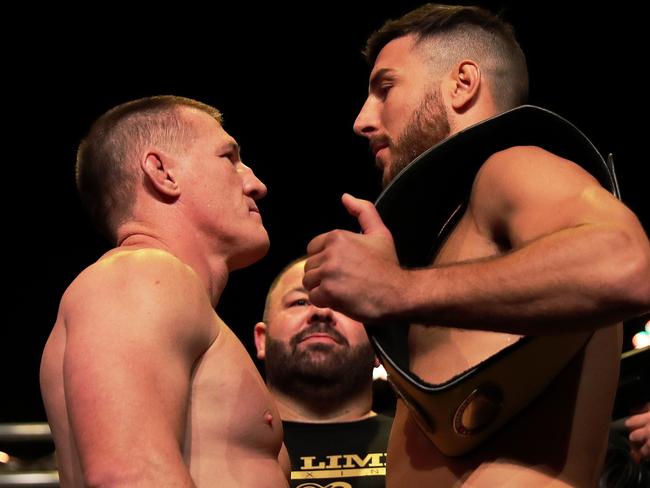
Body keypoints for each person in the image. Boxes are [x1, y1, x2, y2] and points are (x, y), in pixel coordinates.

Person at [302, 4, 650, 487]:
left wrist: (394, 287)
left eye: (385, 88)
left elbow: (627, 265)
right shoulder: (462, 226)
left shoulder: (514, 166)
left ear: (462, 83)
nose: (363, 119)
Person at [39, 95, 289, 487]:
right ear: (162, 172)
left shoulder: (163, 292)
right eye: (229, 158)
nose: (256, 184)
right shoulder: (137, 276)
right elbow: (129, 477)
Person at [254, 257, 393, 487]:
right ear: (261, 340)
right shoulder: (218, 450)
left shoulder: (421, 451)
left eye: (343, 304)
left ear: (378, 348)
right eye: (300, 302)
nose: (322, 311)